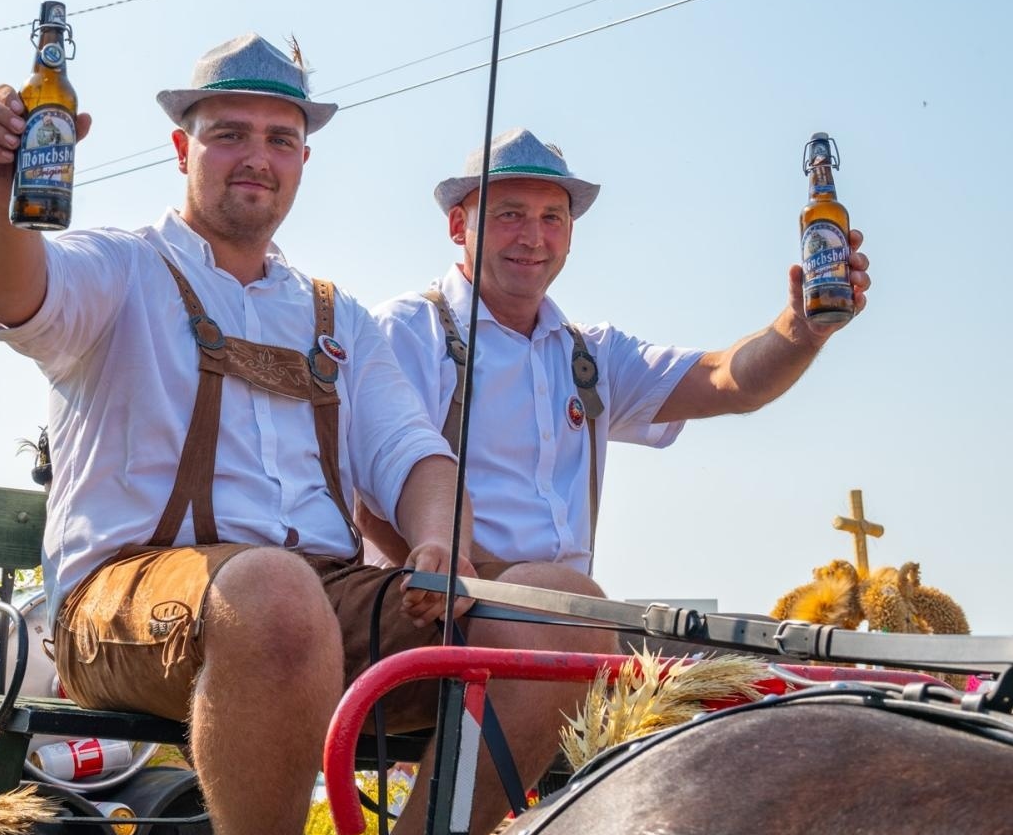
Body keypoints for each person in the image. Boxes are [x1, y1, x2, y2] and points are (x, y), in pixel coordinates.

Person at [0, 34, 615, 835]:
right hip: (123, 603)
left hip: (304, 604)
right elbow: (12, 295)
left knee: (559, 615)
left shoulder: (333, 316)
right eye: (231, 133)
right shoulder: (120, 268)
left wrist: (441, 542)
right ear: (183, 150)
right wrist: (5, 211)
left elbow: (419, 458)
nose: (257, 157)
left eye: (280, 137)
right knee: (274, 592)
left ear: (303, 160)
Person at [364, 127, 871, 580]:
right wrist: (449, 583)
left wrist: (803, 331)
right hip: (437, 630)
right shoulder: (410, 332)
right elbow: (364, 502)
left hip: (569, 619)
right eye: (509, 214)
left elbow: (727, 381)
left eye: (552, 218)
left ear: (571, 234)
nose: (534, 237)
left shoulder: (591, 356)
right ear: (459, 225)